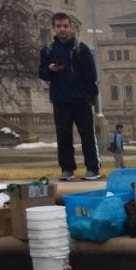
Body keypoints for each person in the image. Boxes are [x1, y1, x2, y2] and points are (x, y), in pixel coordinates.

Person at [38, 12, 100, 181]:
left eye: (65, 26)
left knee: (87, 135)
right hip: (60, 100)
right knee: (63, 136)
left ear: (70, 27)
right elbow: (42, 74)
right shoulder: (48, 50)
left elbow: (91, 75)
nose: (63, 29)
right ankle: (67, 169)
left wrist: (89, 94)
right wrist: (51, 69)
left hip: (80, 99)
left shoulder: (81, 49)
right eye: (59, 26)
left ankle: (93, 168)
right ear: (54, 28)